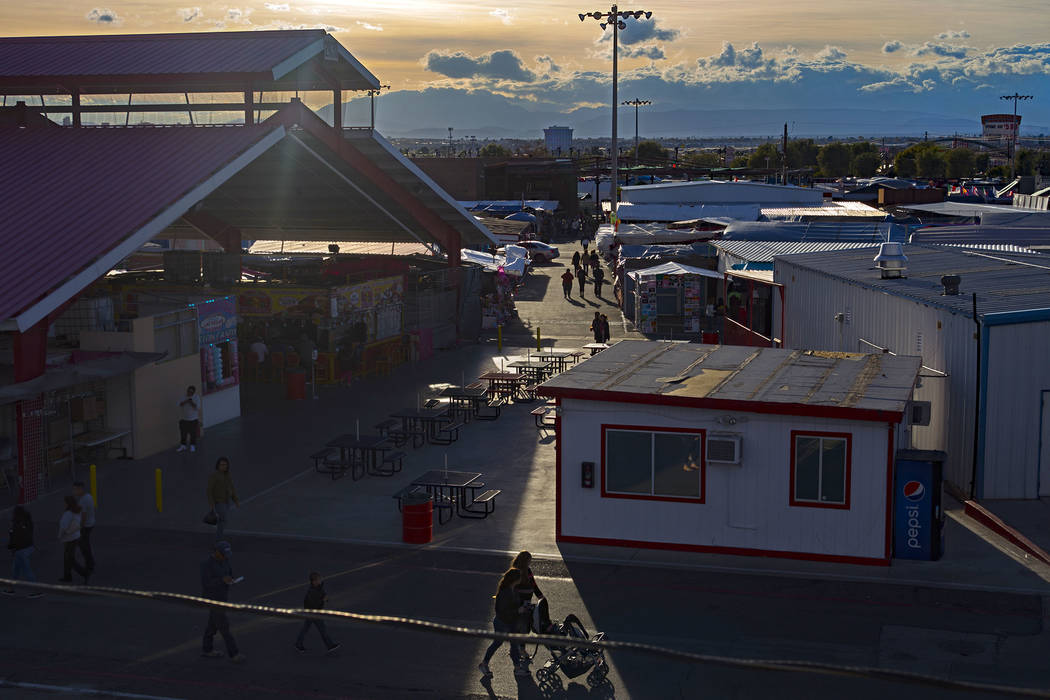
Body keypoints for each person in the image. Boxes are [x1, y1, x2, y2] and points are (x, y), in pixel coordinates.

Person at [200, 541, 245, 663]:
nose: (226, 557)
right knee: (224, 627)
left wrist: (231, 579)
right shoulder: (207, 564)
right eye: (224, 554)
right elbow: (206, 583)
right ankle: (234, 654)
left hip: (222, 598)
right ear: (217, 552)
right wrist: (222, 580)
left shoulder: (225, 560)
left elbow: (229, 573)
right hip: (212, 599)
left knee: (212, 625)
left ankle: (207, 649)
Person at [478, 568, 529, 678]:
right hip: (503, 623)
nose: (521, 579)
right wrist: (518, 610)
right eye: (519, 577)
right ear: (515, 579)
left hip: (511, 622)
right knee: (497, 643)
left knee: (514, 644)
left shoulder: (513, 589)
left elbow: (514, 605)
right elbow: (502, 611)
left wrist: (523, 606)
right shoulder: (505, 592)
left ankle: (517, 667)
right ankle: (484, 664)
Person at [295, 572, 341, 654]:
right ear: (314, 581)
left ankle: (298, 644)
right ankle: (329, 645)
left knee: (306, 628)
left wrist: (325, 598)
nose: (321, 580)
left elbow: (322, 594)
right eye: (319, 579)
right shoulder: (312, 591)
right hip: (313, 613)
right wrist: (323, 600)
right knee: (322, 629)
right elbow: (314, 604)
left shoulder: (318, 587)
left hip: (312, 612)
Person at [5, 506, 42, 597]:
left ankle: (36, 591)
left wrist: (11, 546)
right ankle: (11, 589)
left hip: (20, 550)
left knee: (27, 571)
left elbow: (15, 538)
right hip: (28, 547)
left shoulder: (17, 524)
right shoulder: (28, 521)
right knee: (15, 570)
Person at [58, 495, 88, 584]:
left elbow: (63, 527)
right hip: (75, 536)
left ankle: (84, 573)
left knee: (69, 559)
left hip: (69, 538)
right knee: (67, 557)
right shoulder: (77, 511)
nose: (64, 504)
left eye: (65, 502)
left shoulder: (68, 513)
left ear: (68, 503)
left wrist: (60, 536)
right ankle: (67, 576)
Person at [207, 457, 239, 540]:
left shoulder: (227, 476)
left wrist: (236, 501)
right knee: (222, 520)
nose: (224, 466)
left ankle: (219, 537)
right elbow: (209, 491)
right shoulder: (214, 476)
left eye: (225, 465)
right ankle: (219, 539)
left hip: (226, 502)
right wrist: (212, 505)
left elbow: (232, 489)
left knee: (222, 521)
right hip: (219, 502)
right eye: (221, 465)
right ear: (218, 465)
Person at [72, 481, 96, 576]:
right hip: (91, 524)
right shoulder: (89, 497)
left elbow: (83, 516)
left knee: (83, 547)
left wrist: (78, 528)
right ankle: (91, 563)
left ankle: (89, 566)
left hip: (85, 527)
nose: (74, 491)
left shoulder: (83, 501)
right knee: (86, 545)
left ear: (80, 489)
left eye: (75, 489)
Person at [176, 385, 200, 453]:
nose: (189, 393)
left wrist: (191, 402)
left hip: (193, 419)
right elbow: (179, 404)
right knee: (183, 433)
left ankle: (192, 446)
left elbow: (197, 407)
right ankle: (183, 445)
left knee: (193, 434)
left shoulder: (196, 397)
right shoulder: (183, 396)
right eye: (188, 391)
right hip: (184, 419)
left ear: (193, 392)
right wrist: (186, 401)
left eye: (191, 392)